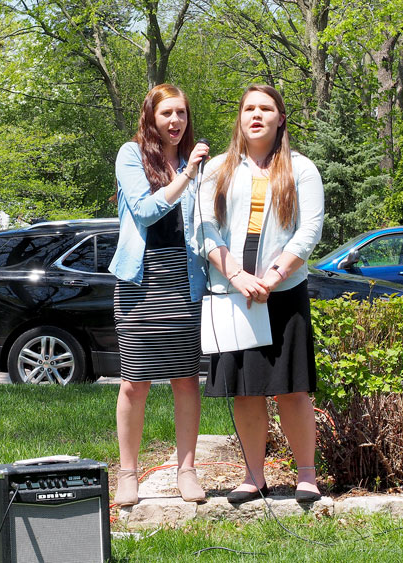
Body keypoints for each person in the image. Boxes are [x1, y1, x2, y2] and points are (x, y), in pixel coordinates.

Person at [195, 84, 324, 503]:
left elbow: (309, 230)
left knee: (292, 389)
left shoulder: (302, 169)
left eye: (266, 109)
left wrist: (272, 276)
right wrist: (234, 274)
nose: (256, 115)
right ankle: (254, 477)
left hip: (282, 293)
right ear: (240, 117)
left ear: (280, 118)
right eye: (249, 108)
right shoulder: (217, 169)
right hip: (234, 295)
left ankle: (307, 476)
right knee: (247, 391)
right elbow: (204, 229)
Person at [109, 84, 211, 506]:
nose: (175, 122)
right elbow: (147, 210)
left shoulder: (196, 163)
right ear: (151, 116)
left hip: (183, 280)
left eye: (182, 114)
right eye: (167, 113)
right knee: (135, 383)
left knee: (187, 380)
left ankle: (186, 471)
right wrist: (187, 177)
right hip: (140, 282)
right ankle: (128, 474)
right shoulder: (131, 155)